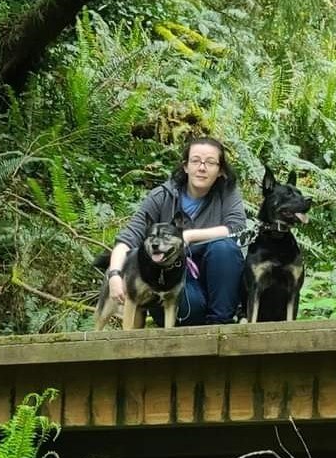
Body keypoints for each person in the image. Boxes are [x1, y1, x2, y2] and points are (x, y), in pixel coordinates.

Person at [105, 138, 246, 325]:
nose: (202, 167)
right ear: (185, 166)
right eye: (195, 161)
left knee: (224, 249)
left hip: (214, 274)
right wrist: (115, 274)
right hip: (172, 276)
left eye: (210, 162)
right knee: (191, 307)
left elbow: (236, 228)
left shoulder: (227, 194)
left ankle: (221, 326)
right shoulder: (162, 196)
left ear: (220, 170)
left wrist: (188, 235)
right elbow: (128, 238)